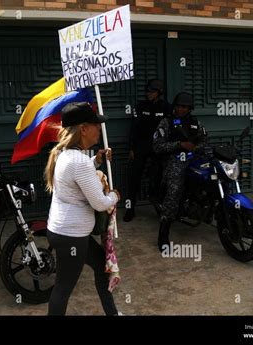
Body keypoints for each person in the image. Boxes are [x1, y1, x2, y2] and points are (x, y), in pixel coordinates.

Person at [44, 101, 121, 316]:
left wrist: (96, 161)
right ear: (83, 129)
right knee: (63, 288)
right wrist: (115, 196)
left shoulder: (66, 155)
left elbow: (78, 177)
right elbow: (100, 203)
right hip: (71, 236)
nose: (100, 129)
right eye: (96, 125)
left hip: (67, 231)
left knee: (100, 268)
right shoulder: (78, 161)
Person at [152, 92, 207, 252]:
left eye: (185, 107)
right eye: (179, 106)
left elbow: (205, 139)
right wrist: (179, 145)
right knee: (174, 190)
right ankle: (163, 234)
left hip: (194, 158)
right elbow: (157, 146)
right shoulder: (166, 123)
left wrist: (197, 147)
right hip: (174, 160)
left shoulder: (195, 123)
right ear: (174, 107)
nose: (182, 109)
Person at [124, 79, 171, 222]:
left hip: (159, 148)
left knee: (158, 178)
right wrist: (132, 148)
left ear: (159, 93)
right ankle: (130, 209)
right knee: (134, 178)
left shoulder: (166, 108)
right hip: (141, 146)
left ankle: (159, 207)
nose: (149, 94)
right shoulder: (140, 106)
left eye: (152, 91)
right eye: (148, 91)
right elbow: (134, 128)